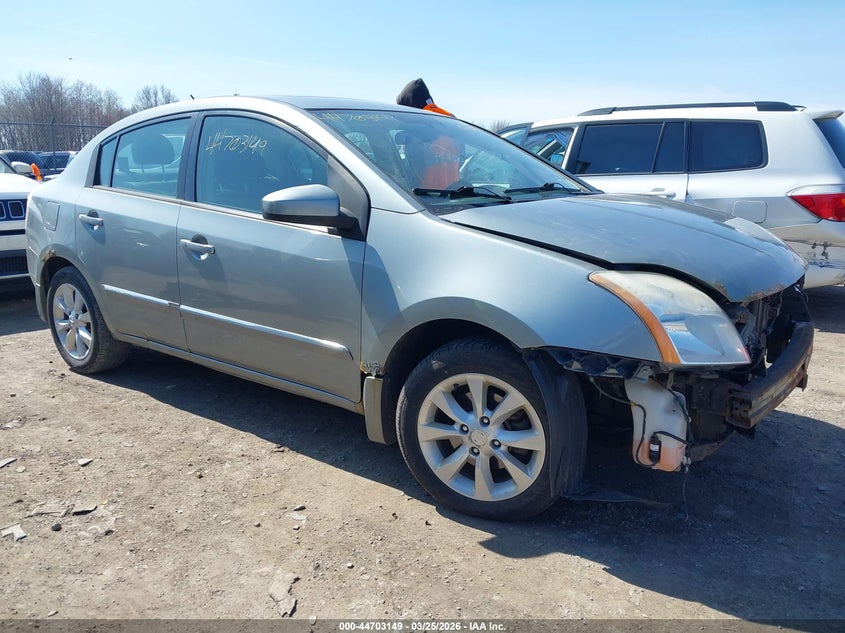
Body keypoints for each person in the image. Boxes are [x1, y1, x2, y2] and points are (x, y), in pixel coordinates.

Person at [395, 78, 459, 188]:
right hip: (457, 192)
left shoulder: (417, 128)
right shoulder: (450, 121)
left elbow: (415, 170)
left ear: (407, 105)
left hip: (428, 196)